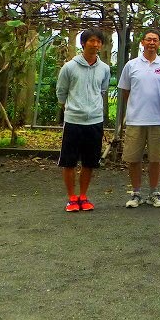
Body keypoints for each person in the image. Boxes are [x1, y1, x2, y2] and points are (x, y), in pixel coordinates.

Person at [55, 28, 111, 212]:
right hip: (73, 121)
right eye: (92, 41)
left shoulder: (104, 69)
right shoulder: (69, 67)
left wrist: (93, 110)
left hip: (95, 121)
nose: (95, 45)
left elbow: (102, 91)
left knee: (89, 162)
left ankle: (84, 196)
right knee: (69, 162)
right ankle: (72, 198)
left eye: (98, 42)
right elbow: (61, 93)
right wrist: (71, 109)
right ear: (83, 43)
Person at [118, 29, 160, 209]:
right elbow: (126, 91)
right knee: (133, 159)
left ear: (159, 43)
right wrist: (137, 106)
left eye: (155, 40)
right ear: (142, 42)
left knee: (156, 159)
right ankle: (136, 193)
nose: (152, 43)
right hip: (135, 120)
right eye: (148, 39)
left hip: (158, 120)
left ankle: (153, 193)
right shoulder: (131, 65)